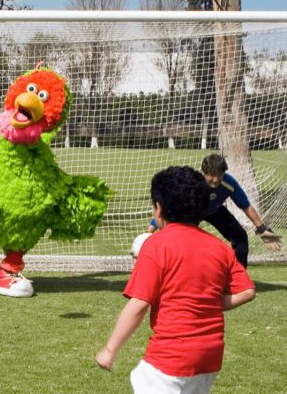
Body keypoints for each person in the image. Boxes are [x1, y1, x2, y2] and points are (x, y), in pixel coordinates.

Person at [97, 165, 256, 392]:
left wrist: (110, 350)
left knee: (141, 378)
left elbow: (139, 304)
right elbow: (247, 291)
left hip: (171, 356)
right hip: (210, 358)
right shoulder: (220, 247)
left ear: (158, 209)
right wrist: (212, 303)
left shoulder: (156, 246)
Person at [146, 153, 282, 267]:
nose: (215, 179)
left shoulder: (229, 183)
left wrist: (262, 228)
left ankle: (238, 278)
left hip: (215, 211)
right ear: (203, 172)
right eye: (211, 175)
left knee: (240, 237)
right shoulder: (193, 182)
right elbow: (169, 206)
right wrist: (150, 231)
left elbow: (245, 206)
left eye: (219, 175)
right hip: (192, 213)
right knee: (183, 243)